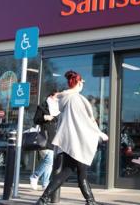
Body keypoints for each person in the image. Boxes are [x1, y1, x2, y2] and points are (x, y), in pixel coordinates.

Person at [36, 71, 108, 205]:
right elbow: (85, 121)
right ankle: (89, 201)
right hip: (77, 142)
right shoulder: (76, 99)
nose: (83, 85)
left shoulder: (65, 99)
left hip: (69, 142)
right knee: (75, 172)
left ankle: (44, 199)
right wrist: (99, 133)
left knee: (71, 171)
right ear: (79, 83)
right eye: (82, 83)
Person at [29, 90, 59, 190]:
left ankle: (45, 184)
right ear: (50, 96)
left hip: (54, 137)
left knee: (49, 162)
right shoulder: (42, 107)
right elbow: (36, 120)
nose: (57, 99)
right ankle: (35, 176)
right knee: (49, 159)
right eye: (56, 97)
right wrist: (45, 117)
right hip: (44, 136)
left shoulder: (58, 109)